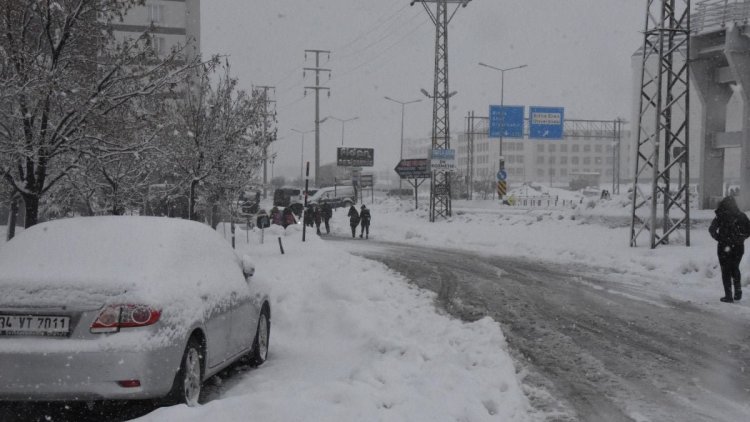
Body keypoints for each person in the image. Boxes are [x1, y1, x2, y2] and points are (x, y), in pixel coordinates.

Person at [709, 195, 750, 303]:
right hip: (738, 247)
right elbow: (748, 230)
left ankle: (728, 295)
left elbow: (712, 230)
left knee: (726, 270)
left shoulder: (720, 216)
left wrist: (720, 239)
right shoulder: (741, 216)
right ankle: (738, 291)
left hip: (724, 247)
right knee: (735, 268)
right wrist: (741, 238)